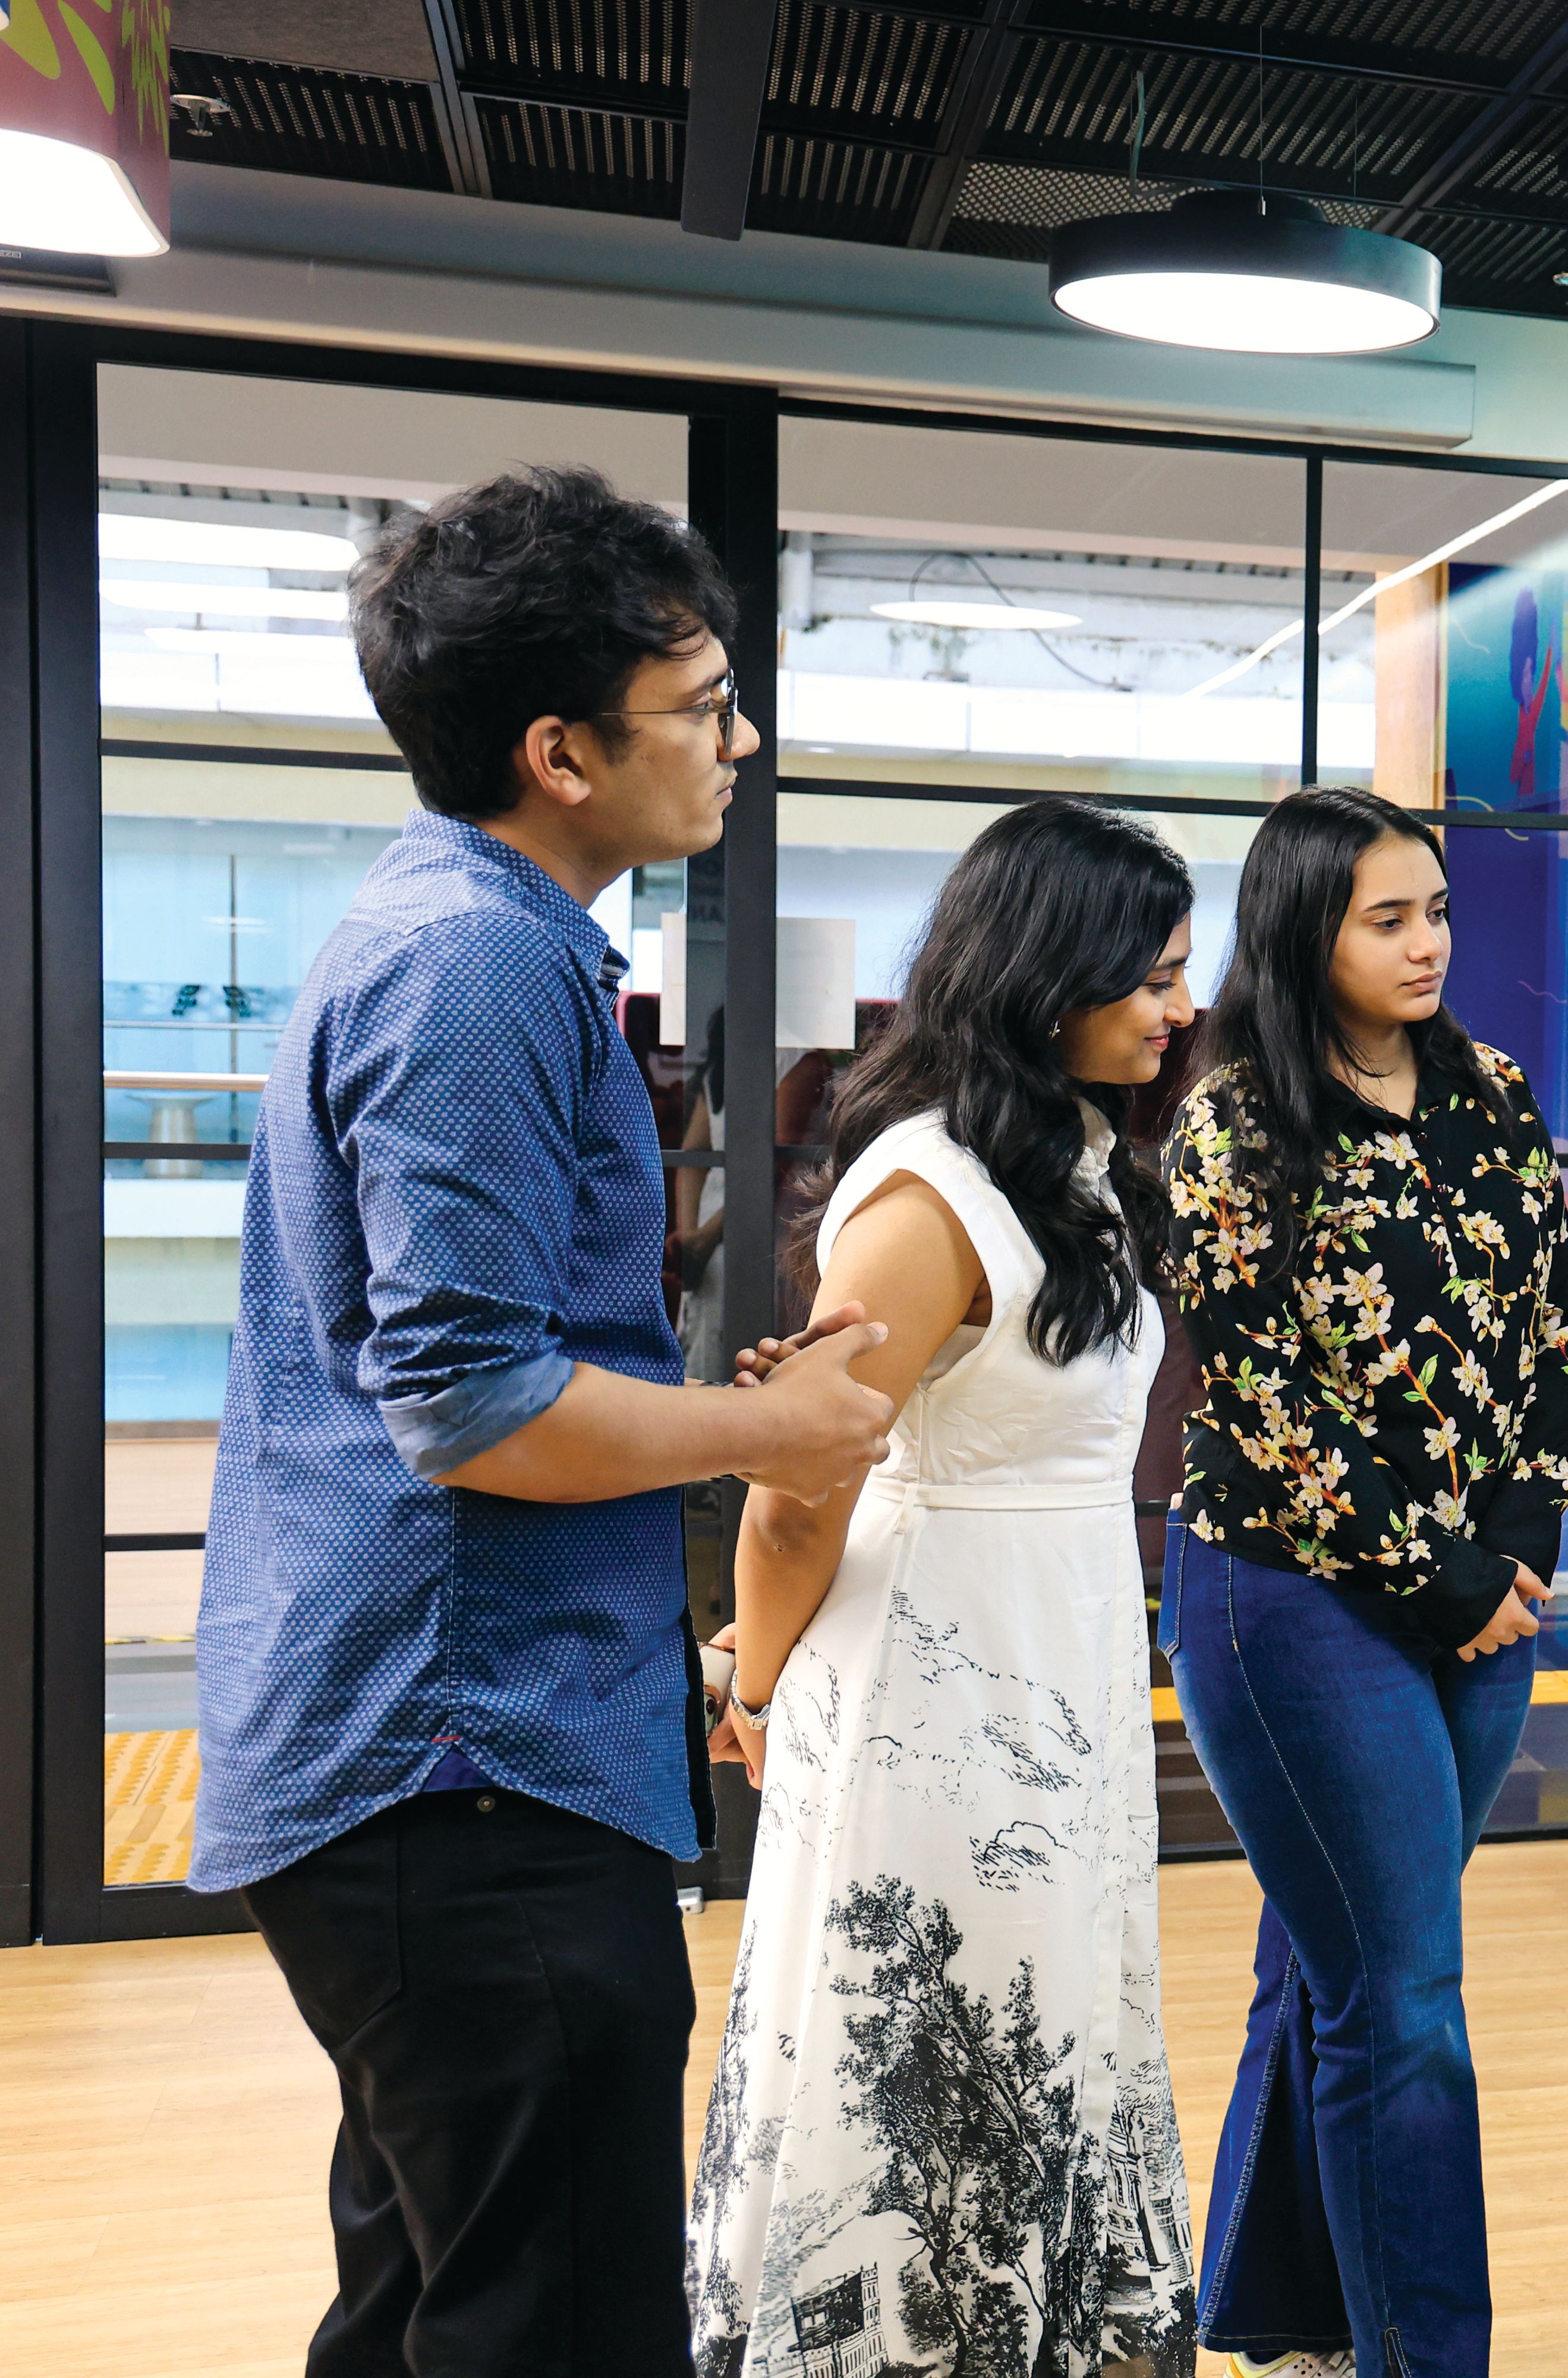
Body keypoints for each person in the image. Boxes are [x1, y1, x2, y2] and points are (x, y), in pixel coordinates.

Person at [192, 463, 896, 2378]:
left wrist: (695, 1418)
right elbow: (472, 1405)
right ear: (560, 750)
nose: (738, 744)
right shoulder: (481, 957)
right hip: (463, 1762)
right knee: (559, 2321)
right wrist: (775, 1432)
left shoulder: (456, 930)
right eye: (702, 708)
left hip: (443, 1757)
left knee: (435, 2296)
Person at [686, 797, 1205, 2377]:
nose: (1183, 1008)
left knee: (1043, 2023)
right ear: (1052, 974)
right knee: (938, 2051)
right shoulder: (926, 1196)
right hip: (934, 1670)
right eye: (1157, 975)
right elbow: (792, 1496)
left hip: (1062, 1646)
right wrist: (755, 1685)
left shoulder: (1080, 1157)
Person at [1158, 786, 1568, 2378]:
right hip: (1288, 1596)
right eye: (1389, 918)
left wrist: (1525, 1542)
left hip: (1490, 1600)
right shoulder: (1234, 1120)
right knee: (1405, 1997)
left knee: (1333, 1958)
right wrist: (1444, 1578)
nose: (1430, 944)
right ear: (1307, 931)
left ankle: (1280, 2312)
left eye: (1438, 911)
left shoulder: (1491, 1088)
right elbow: (1263, 1396)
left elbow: (1560, 1324)